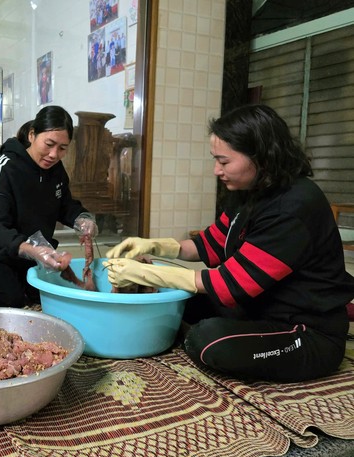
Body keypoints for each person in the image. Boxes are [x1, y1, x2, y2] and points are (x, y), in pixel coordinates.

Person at [104, 104, 354, 383]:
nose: (216, 170)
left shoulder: (294, 207)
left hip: (306, 330)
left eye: (224, 162)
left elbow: (229, 285)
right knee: (176, 304)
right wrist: (152, 245)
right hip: (257, 308)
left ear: (262, 158)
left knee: (207, 340)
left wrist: (146, 273)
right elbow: (208, 246)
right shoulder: (247, 192)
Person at [0, 105, 97, 308]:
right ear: (32, 135)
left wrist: (82, 219)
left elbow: (65, 204)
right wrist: (32, 250)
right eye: (49, 144)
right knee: (14, 301)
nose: (54, 154)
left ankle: (6, 275)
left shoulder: (56, 170)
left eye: (62, 148)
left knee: (42, 297)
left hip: (32, 248)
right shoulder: (5, 167)